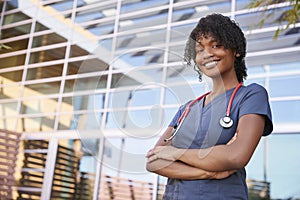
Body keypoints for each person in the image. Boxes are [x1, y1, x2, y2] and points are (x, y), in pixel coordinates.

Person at [146, 13, 273, 199]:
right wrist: (208, 172)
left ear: (236, 50)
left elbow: (236, 156)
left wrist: (174, 152)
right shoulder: (187, 108)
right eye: (199, 50)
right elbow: (153, 162)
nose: (207, 54)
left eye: (216, 45)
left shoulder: (251, 95)